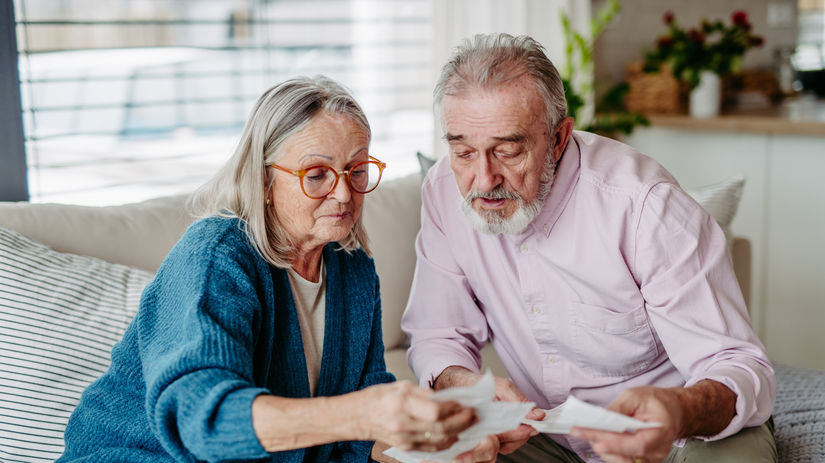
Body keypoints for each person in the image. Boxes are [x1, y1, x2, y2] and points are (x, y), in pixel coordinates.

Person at [58, 76, 477, 463]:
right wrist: (360, 415)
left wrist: (444, 444)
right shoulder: (217, 255)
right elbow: (207, 420)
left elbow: (361, 438)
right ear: (263, 182)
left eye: (357, 171)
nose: (344, 193)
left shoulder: (352, 268)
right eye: (316, 175)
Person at [401, 33, 776, 463]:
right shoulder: (445, 192)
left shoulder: (645, 207)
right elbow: (438, 332)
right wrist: (462, 383)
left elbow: (738, 367)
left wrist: (678, 410)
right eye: (463, 151)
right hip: (544, 435)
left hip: (679, 435)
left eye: (507, 152)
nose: (483, 180)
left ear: (559, 138)